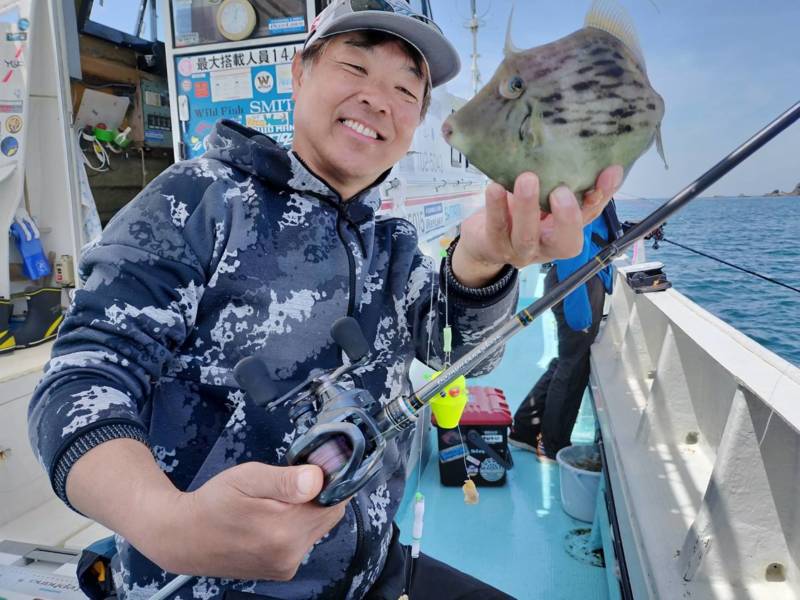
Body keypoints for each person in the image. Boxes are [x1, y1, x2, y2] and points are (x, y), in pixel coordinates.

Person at [27, 0, 622, 598]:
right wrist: (165, 522)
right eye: (354, 67)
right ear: (299, 73)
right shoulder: (198, 201)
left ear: (415, 120)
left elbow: (457, 353)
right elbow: (81, 380)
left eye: (405, 89)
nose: (377, 99)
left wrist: (486, 256)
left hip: (371, 571)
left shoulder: (390, 243)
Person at [510, 201, 623, 462]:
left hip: (577, 279)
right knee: (573, 367)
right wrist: (578, 308)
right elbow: (573, 248)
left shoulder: (592, 194)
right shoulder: (585, 194)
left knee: (567, 360)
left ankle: (525, 429)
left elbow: (596, 234)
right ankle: (553, 445)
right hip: (579, 282)